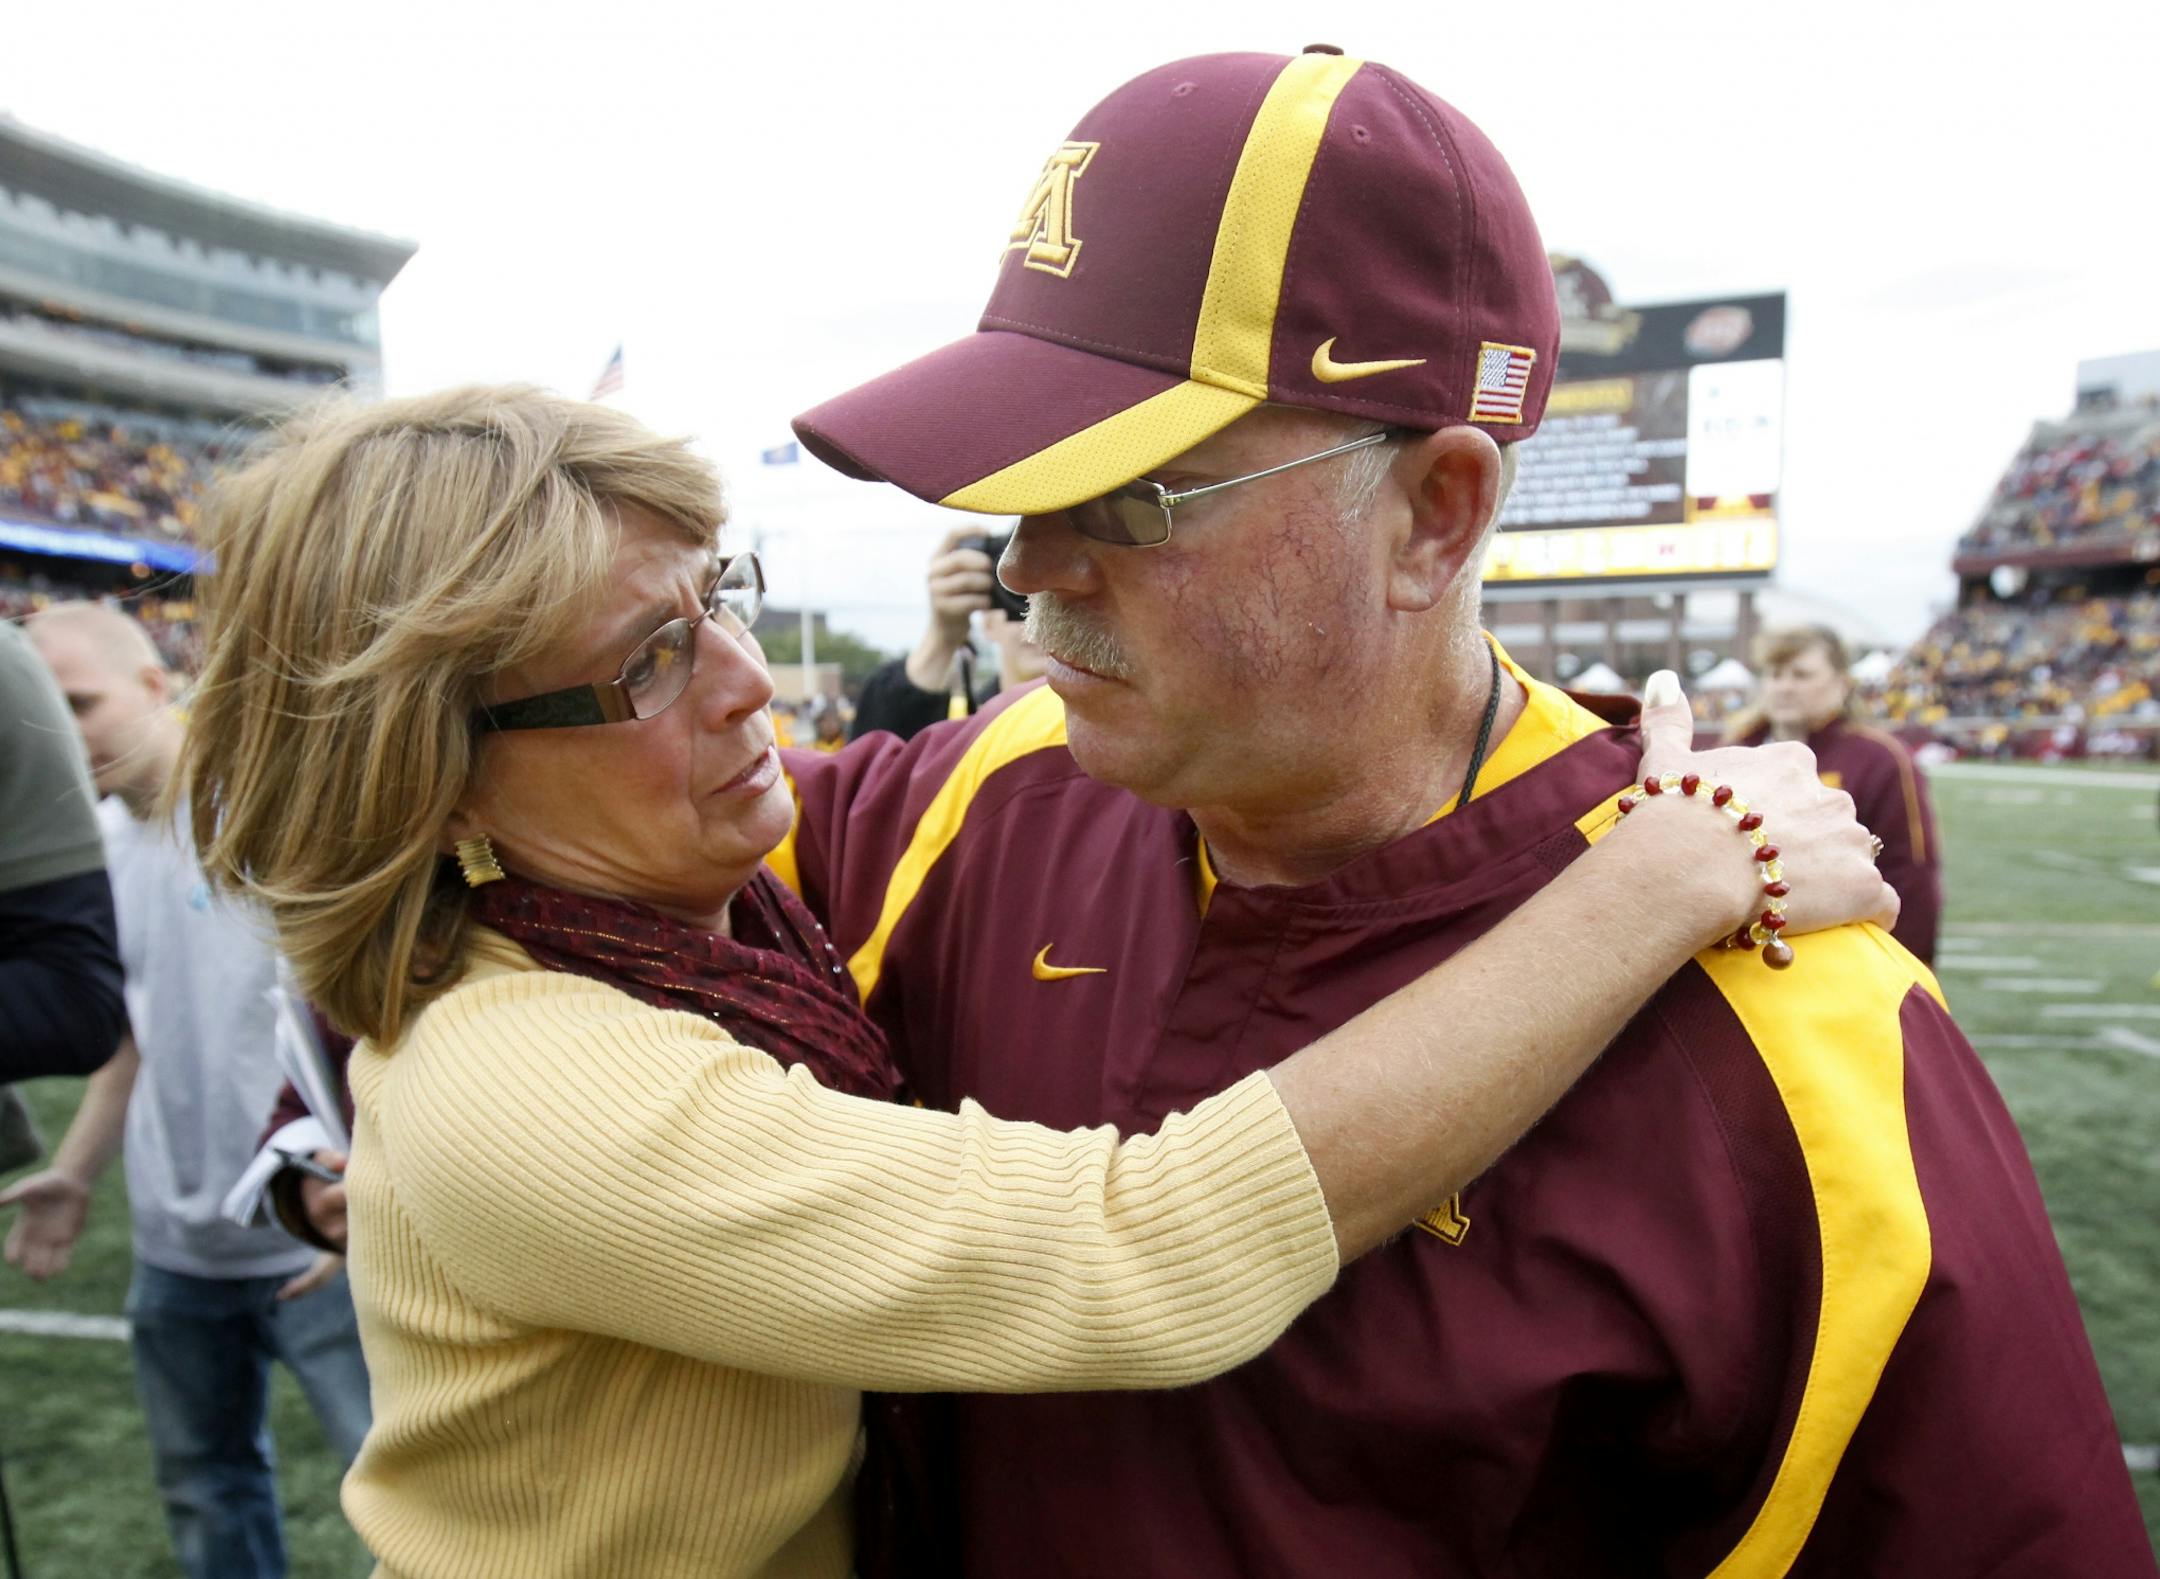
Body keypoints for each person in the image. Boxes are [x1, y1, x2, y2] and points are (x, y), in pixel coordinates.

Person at [786, 47, 2153, 1575]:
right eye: (1018, 488)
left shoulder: (1796, 1028)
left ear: (1436, 513)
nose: (1034, 569)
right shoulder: (973, 799)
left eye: (1131, 497)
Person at [174, 384, 1886, 1579]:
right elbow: (1138, 1254)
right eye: (646, 662)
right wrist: (1657, 873)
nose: (748, 679)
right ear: (437, 769)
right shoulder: (520, 1072)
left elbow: (951, 779)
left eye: (722, 598)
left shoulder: (656, 915)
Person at [6, 602, 372, 1579]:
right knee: (207, 1497)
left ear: (155, 687)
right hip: (175, 1250)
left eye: (76, 703)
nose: (56, 733)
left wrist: (374, 1180)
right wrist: (77, 1172)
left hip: (313, 1235)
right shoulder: (90, 855)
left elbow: (375, 1010)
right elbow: (131, 1031)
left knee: (406, 1507)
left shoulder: (277, 817)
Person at [1725, 624, 1943, 961]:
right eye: (1775, 674)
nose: (1784, 686)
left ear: (1841, 683)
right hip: (1741, 954)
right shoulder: (1734, 752)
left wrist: (1908, 969)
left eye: (1801, 675)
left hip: (1846, 957)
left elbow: (1910, 874)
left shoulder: (1881, 758)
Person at [0, 614, 126, 1081]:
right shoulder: (114, 834)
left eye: (80, 704)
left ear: (155, 685)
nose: (66, 731)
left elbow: (80, 1003)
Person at [850, 524, 1049, 742]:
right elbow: (880, 765)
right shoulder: (958, 724)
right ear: (988, 622)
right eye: (1022, 597)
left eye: (1056, 599)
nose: (1040, 622)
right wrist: (941, 638)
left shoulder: (1091, 733)